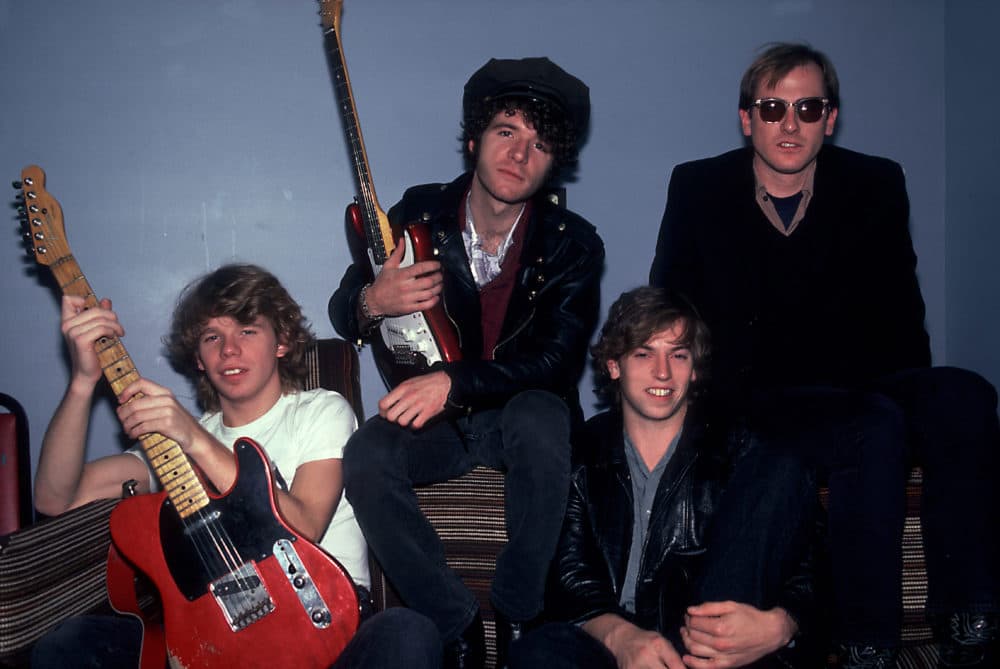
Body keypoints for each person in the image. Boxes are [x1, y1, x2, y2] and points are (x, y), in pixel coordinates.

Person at [650, 42, 999, 668]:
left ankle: (968, 616)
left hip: (860, 386)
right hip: (755, 394)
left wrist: (909, 401)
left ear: (830, 119)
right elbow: (669, 308)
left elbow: (903, 314)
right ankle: (865, 640)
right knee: (872, 425)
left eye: (808, 108)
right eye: (773, 107)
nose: (790, 124)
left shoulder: (875, 182)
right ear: (746, 117)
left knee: (966, 393)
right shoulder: (700, 186)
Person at [329, 57, 604, 668]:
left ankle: (518, 610)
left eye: (538, 144)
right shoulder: (417, 213)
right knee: (366, 454)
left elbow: (558, 362)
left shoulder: (574, 242)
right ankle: (451, 624)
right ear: (476, 139)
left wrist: (453, 382)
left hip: (519, 418)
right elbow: (343, 309)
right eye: (507, 131)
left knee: (541, 414)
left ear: (554, 161)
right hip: (441, 429)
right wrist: (373, 300)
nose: (519, 153)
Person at [31, 263, 441, 669]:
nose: (229, 349)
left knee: (408, 632)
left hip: (333, 629)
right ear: (198, 358)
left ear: (281, 342)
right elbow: (55, 498)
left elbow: (304, 525)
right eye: (213, 336)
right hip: (217, 640)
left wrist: (193, 437)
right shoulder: (172, 444)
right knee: (69, 644)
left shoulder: (322, 410)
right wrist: (83, 381)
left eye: (247, 330)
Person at [509, 286, 820, 669]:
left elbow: (809, 568)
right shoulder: (581, 450)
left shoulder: (744, 450)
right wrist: (621, 638)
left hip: (709, 642)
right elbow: (569, 581)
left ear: (693, 369)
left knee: (785, 460)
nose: (663, 372)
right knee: (538, 653)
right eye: (644, 353)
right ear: (614, 365)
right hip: (607, 645)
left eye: (678, 354)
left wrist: (781, 625)